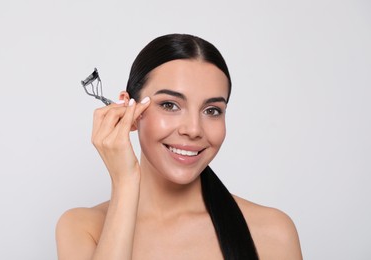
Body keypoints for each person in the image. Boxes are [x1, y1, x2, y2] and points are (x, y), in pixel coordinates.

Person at [56, 34, 302, 260]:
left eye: (212, 110)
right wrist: (125, 181)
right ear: (130, 110)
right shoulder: (83, 228)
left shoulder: (272, 231)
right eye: (170, 105)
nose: (193, 129)